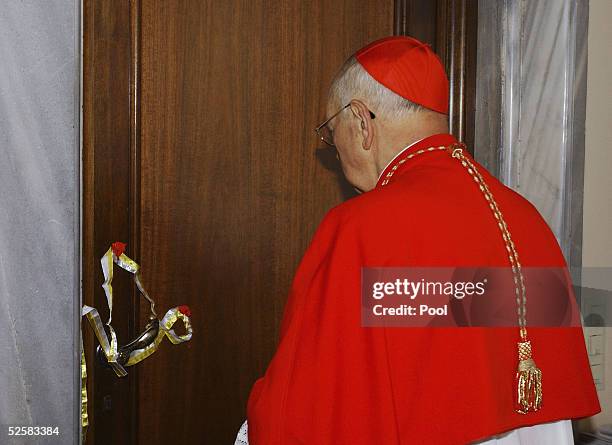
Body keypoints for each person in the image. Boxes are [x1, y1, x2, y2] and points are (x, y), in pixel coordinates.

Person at [236, 36, 600, 444]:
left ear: (361, 121)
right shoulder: (526, 217)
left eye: (330, 131)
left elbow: (310, 406)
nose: (334, 150)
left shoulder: (362, 228)